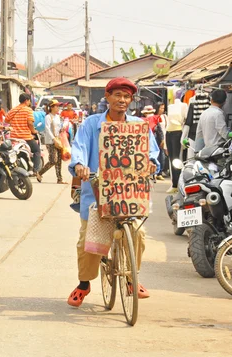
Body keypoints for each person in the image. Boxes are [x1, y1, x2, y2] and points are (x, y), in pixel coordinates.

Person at [68, 78, 160, 307]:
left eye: (127, 96)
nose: (122, 100)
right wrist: (79, 165)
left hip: (129, 192)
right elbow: (78, 148)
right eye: (117, 95)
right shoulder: (91, 124)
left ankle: (131, 277)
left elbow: (152, 152)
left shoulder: (139, 125)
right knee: (87, 241)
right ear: (107, 97)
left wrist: (151, 163)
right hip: (97, 192)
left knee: (138, 235)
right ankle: (84, 284)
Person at [5, 93, 42, 180]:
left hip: (14, 138)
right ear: (27, 100)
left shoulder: (13, 110)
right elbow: (30, 123)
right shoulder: (28, 110)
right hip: (25, 137)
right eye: (29, 101)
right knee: (37, 150)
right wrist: (33, 131)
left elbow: (6, 120)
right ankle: (36, 171)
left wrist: (14, 124)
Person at [38, 99, 67, 184]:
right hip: (50, 141)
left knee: (58, 160)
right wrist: (53, 139)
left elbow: (58, 128)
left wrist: (62, 129)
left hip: (58, 140)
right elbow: (47, 129)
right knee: (53, 160)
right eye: (56, 106)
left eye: (58, 106)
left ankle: (59, 179)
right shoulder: (48, 117)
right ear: (51, 107)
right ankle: (39, 173)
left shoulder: (58, 117)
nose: (58, 108)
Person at [165, 98, 188, 193]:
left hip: (178, 132)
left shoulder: (184, 106)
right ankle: (174, 183)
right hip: (168, 131)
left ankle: (178, 183)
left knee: (177, 158)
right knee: (171, 158)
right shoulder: (170, 106)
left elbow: (186, 119)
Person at [141, 105, 166, 181]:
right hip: (144, 140)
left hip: (155, 139)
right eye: (147, 112)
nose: (149, 114)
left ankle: (159, 173)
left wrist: (162, 140)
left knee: (158, 156)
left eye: (150, 112)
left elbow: (159, 130)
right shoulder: (141, 120)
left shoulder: (155, 119)